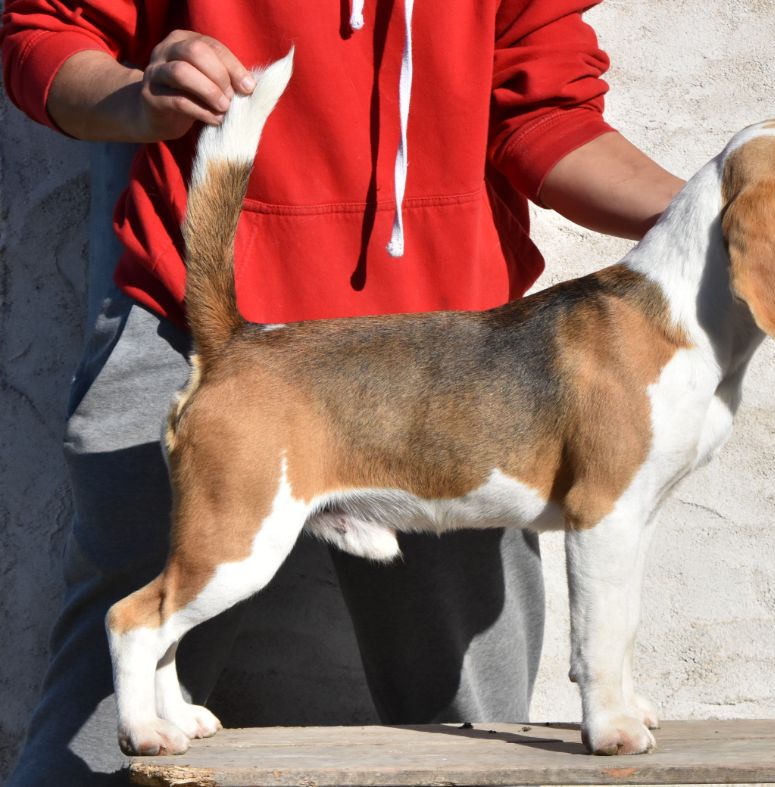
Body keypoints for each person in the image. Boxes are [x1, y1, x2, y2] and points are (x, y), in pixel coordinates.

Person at [1, 1, 684, 783]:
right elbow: (46, 29)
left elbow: (546, 104)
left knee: (478, 733)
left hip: (454, 355)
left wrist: (711, 217)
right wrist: (135, 97)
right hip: (199, 327)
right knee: (94, 736)